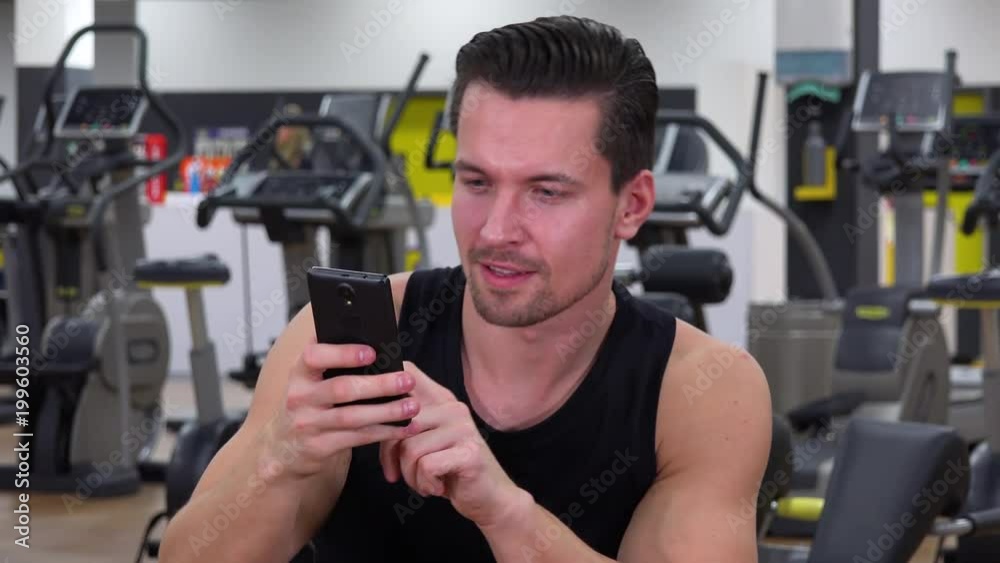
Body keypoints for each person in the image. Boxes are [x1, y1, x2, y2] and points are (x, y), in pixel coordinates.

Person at [160, 15, 772, 563]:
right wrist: (277, 462)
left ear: (632, 205)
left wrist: (504, 512)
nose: (497, 230)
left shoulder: (700, 391)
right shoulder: (342, 346)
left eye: (546, 192)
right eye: (476, 182)